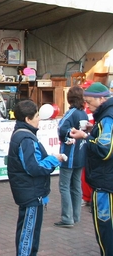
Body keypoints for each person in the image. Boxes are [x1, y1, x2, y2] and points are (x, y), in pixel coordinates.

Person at [7, 100, 64, 256]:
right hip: (31, 193)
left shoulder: (24, 135)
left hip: (29, 191)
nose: (39, 118)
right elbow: (34, 167)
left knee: (28, 231)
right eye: (37, 115)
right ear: (27, 119)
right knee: (28, 234)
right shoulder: (26, 139)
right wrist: (54, 160)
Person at [70, 82, 113, 256]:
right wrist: (93, 131)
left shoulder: (108, 118)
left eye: (90, 102)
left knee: (105, 228)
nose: (87, 105)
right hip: (106, 179)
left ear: (101, 99)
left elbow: (105, 150)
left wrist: (86, 136)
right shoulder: (105, 117)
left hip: (105, 183)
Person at [55, 86, 88, 228]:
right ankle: (76, 215)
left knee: (64, 186)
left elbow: (62, 129)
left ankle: (67, 217)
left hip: (69, 154)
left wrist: (68, 134)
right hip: (81, 154)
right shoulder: (84, 114)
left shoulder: (71, 113)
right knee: (76, 186)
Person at [80, 80, 95, 207]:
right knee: (85, 170)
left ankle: (91, 197)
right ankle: (86, 197)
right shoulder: (84, 106)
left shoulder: (96, 108)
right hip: (85, 140)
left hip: (93, 141)